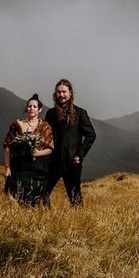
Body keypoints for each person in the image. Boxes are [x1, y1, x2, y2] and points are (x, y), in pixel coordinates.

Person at [44, 78, 96, 206]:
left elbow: (91, 135)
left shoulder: (80, 113)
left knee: (75, 198)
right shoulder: (50, 114)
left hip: (72, 163)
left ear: (70, 93)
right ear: (55, 94)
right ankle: (47, 216)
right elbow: (46, 137)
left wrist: (79, 155)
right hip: (53, 162)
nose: (61, 95)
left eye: (64, 92)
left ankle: (79, 219)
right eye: (59, 92)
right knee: (42, 192)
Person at [3, 94, 54, 206]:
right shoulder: (17, 124)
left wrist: (38, 153)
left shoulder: (45, 126)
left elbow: (50, 148)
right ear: (26, 108)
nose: (31, 108)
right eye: (29, 106)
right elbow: (7, 147)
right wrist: (7, 167)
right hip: (19, 167)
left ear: (39, 109)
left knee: (37, 199)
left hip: (38, 169)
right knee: (15, 196)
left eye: (34, 106)